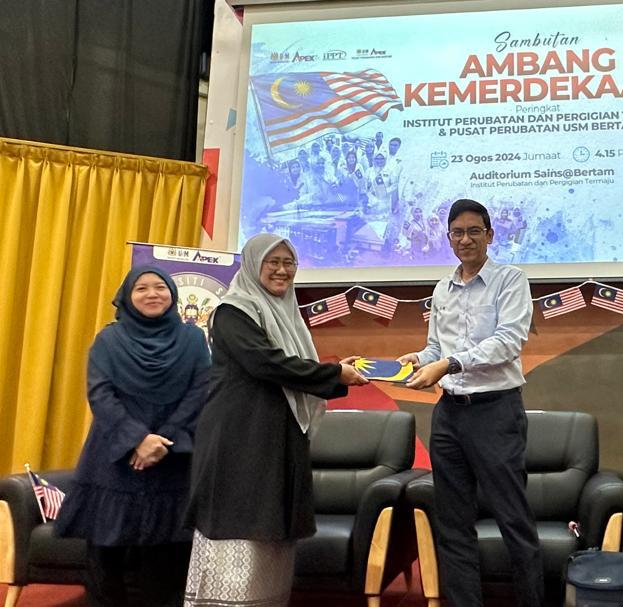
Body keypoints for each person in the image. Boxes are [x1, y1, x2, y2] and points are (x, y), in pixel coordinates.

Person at [183, 234, 368, 606]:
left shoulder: (287, 313)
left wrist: (333, 373)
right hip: (240, 439)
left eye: (289, 262)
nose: (282, 270)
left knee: (272, 528)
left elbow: (288, 365)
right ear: (254, 265)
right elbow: (265, 363)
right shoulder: (233, 311)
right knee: (239, 524)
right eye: (273, 262)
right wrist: (334, 374)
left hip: (278, 435)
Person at [398, 198, 543, 606]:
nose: (465, 240)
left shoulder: (510, 280)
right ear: (448, 238)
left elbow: (508, 342)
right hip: (449, 415)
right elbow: (435, 347)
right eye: (457, 233)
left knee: (513, 519)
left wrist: (448, 363)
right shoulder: (442, 288)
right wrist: (419, 359)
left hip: (495, 412)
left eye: (474, 231)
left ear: (489, 235)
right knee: (453, 523)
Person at [55, 267, 211, 607]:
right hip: (114, 459)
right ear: (127, 296)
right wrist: (138, 439)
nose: (152, 294)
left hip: (172, 459)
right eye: (141, 288)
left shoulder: (193, 339)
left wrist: (160, 440)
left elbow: (200, 390)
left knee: (166, 563)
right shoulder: (108, 340)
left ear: (172, 294)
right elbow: (100, 394)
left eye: (160, 287)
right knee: (105, 561)